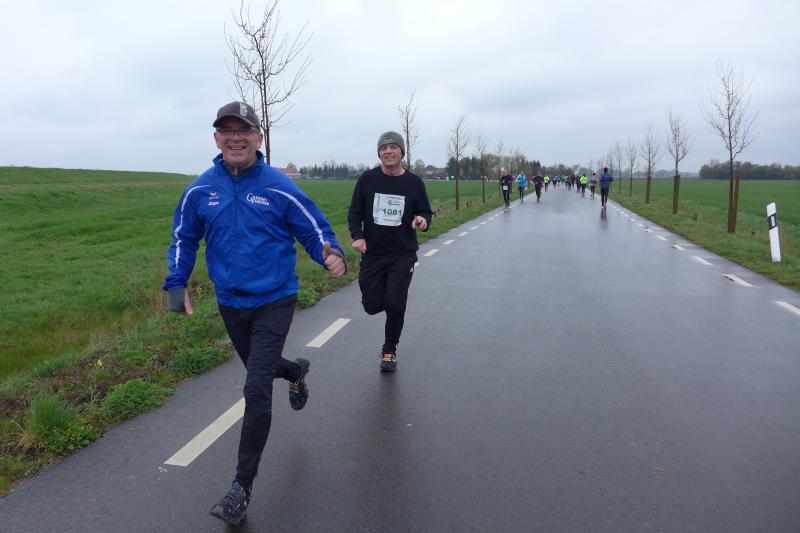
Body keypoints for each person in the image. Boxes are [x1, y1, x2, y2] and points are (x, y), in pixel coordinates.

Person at [162, 101, 347, 526]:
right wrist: (177, 281)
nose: (236, 138)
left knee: (256, 388)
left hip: (275, 299)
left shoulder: (278, 186)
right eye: (227, 131)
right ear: (216, 139)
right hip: (230, 302)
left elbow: (312, 227)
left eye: (244, 130)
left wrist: (329, 252)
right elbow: (183, 237)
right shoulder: (200, 190)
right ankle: (295, 371)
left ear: (258, 138)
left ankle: (240, 488)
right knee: (262, 370)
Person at [348, 131, 433, 372]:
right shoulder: (367, 180)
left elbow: (425, 212)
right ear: (379, 153)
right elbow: (354, 212)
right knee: (372, 305)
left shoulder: (414, 182)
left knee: (394, 303)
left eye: (393, 147)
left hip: (403, 252)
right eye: (383, 148)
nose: (388, 151)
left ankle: (389, 350)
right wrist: (358, 236)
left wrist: (422, 220)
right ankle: (391, 300)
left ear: (402, 152)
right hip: (373, 253)